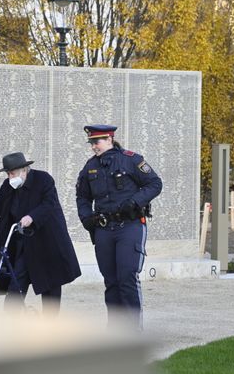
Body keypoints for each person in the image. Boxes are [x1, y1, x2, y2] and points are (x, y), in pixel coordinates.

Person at [0, 152, 81, 314]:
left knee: (50, 287)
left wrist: (32, 217)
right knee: (15, 286)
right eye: (8, 174)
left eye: (12, 173)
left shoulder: (43, 180)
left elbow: (49, 204)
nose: (10, 177)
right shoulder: (8, 186)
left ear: (24, 170)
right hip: (22, 245)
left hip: (46, 243)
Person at [76, 125, 162, 330]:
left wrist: (135, 202)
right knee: (111, 281)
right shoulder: (90, 167)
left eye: (96, 142)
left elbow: (155, 183)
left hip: (129, 226)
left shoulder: (131, 159)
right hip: (104, 229)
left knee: (126, 278)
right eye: (91, 143)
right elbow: (82, 197)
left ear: (109, 139)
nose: (93, 147)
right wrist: (86, 217)